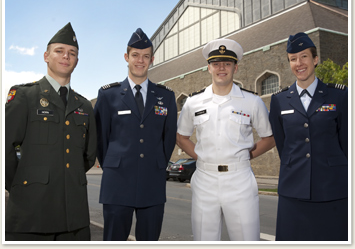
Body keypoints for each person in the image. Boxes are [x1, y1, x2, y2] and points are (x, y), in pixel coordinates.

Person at [176, 38, 275, 241]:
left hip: (240, 180)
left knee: (246, 240)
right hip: (205, 179)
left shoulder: (252, 102)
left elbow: (270, 137)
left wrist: (247, 155)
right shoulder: (193, 103)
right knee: (204, 240)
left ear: (235, 68)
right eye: (216, 64)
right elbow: (181, 137)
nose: (222, 68)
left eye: (227, 63)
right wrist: (202, 156)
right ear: (209, 68)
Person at [5, 22, 97, 241]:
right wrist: (23, 186)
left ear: (76, 61)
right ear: (46, 56)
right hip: (31, 213)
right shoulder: (24, 96)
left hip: (73, 219)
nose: (66, 56)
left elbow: (88, 156)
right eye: (59, 51)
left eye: (72, 53)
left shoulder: (84, 106)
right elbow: (6, 148)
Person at [94, 28, 177, 241]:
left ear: (152, 59)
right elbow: (101, 139)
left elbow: (167, 139)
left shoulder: (165, 96)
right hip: (117, 181)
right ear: (126, 57)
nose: (140, 60)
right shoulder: (108, 95)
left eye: (146, 56)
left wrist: (156, 162)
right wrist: (114, 164)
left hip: (152, 182)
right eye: (135, 55)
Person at [269, 32, 348, 241]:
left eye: (304, 56)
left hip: (332, 190)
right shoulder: (279, 100)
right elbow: (282, 144)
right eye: (293, 59)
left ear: (315, 59)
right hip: (293, 190)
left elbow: (347, 144)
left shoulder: (340, 96)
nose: (299, 63)